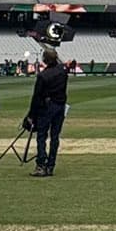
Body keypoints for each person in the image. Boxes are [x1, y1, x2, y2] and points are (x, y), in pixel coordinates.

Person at [24, 44, 69, 177]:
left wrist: (31, 114)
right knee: (55, 137)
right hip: (60, 106)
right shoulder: (62, 72)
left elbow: (37, 96)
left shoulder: (43, 76)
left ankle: (41, 165)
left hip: (47, 107)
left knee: (42, 136)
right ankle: (51, 165)